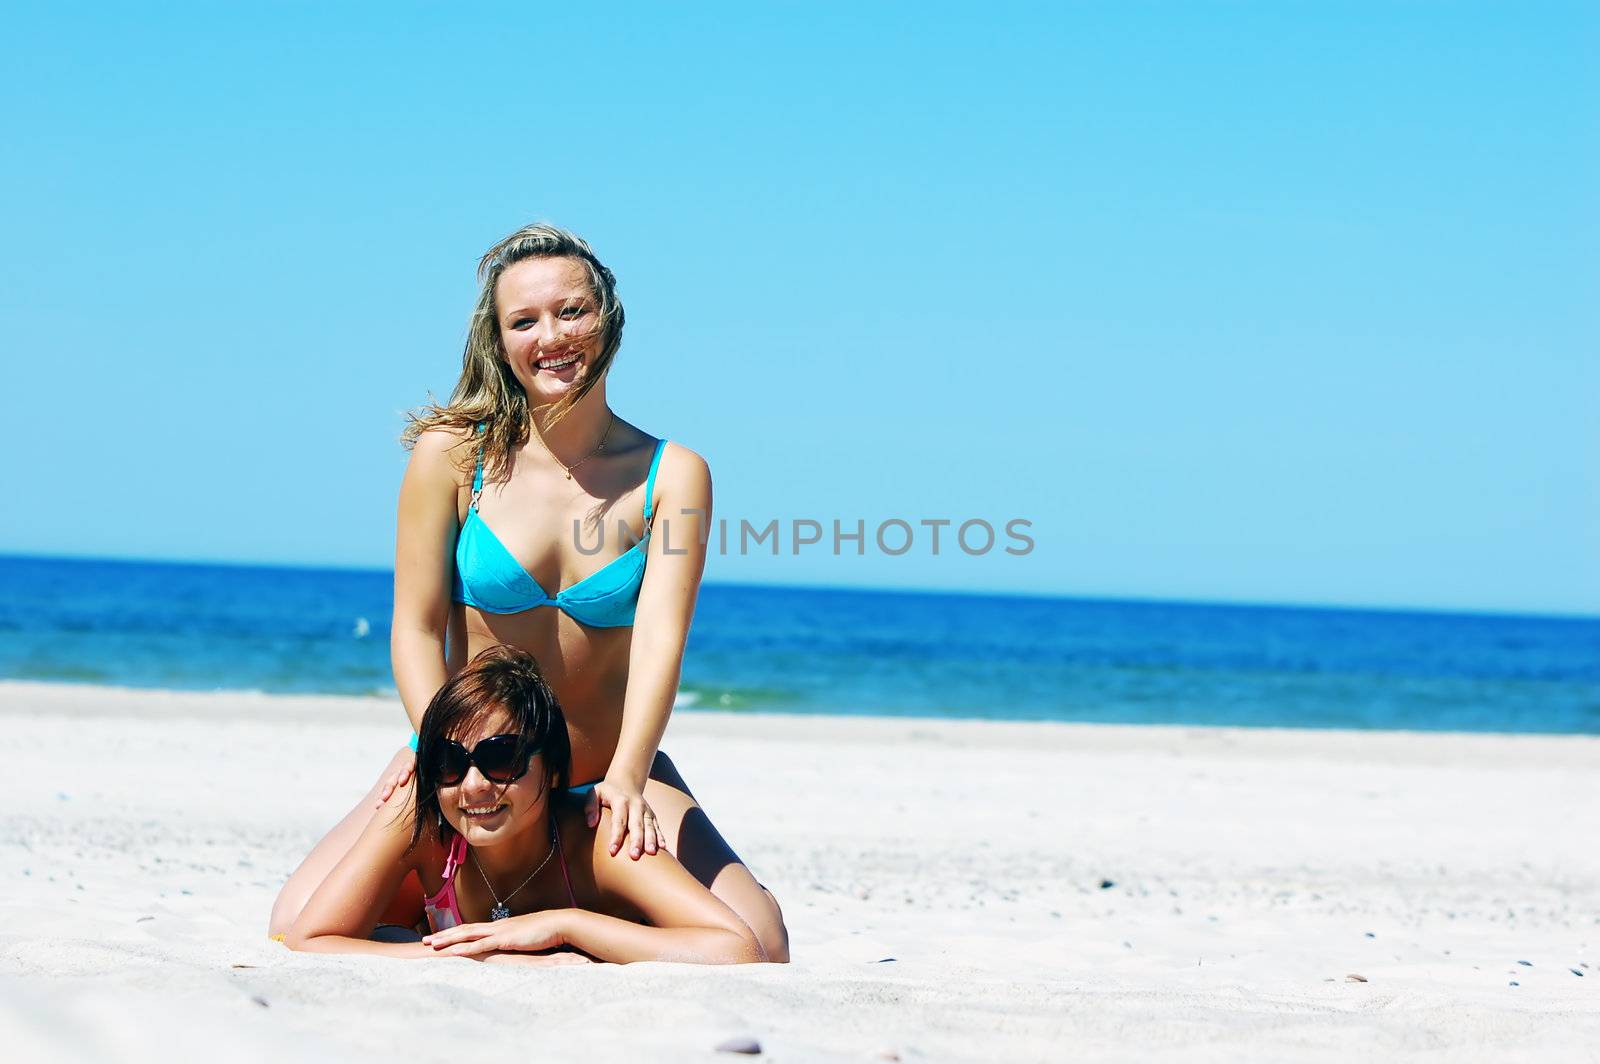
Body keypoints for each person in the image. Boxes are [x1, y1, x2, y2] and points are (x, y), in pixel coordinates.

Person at [269, 223, 788, 960]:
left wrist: (633, 777)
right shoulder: (452, 457)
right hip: (472, 765)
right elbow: (416, 629)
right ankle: (504, 907)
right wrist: (444, 757)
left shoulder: (673, 477)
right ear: (499, 338)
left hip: (606, 771)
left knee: (763, 943)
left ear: (608, 318)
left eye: (571, 311)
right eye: (525, 320)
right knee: (294, 921)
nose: (552, 336)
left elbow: (660, 641)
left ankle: (570, 911)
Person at [284, 645, 764, 964]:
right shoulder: (424, 817)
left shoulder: (602, 839)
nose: (472, 785)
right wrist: (462, 951)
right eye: (449, 762)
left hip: (645, 794)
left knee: (769, 932)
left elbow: (739, 948)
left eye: (501, 758)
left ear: (552, 769)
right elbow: (310, 937)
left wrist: (564, 926)